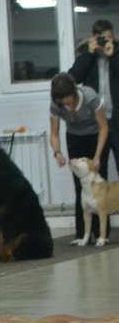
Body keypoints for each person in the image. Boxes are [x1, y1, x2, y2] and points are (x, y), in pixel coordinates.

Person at [49, 72, 109, 243]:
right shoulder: (55, 105)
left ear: (74, 91)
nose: (66, 101)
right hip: (74, 137)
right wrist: (57, 152)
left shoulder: (90, 97)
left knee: (98, 183)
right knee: (80, 186)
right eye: (62, 98)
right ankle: (82, 233)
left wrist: (97, 156)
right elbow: (54, 133)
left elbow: (103, 127)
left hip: (95, 136)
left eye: (68, 96)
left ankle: (100, 233)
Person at [68, 19, 119, 175]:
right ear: (94, 38)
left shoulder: (117, 54)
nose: (105, 42)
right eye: (102, 39)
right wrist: (89, 54)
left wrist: (113, 56)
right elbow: (73, 78)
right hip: (95, 123)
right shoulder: (86, 56)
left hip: (117, 120)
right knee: (98, 168)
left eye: (109, 38)